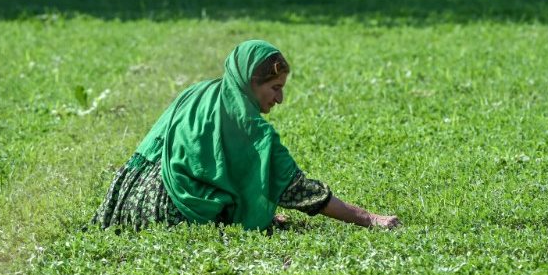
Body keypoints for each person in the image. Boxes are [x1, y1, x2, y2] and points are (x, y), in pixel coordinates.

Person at [93, 40, 400, 231]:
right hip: (174, 215)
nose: (279, 100)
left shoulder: (198, 92)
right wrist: (369, 218)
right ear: (251, 82)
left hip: (129, 205)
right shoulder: (254, 130)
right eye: (275, 88)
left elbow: (151, 150)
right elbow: (300, 191)